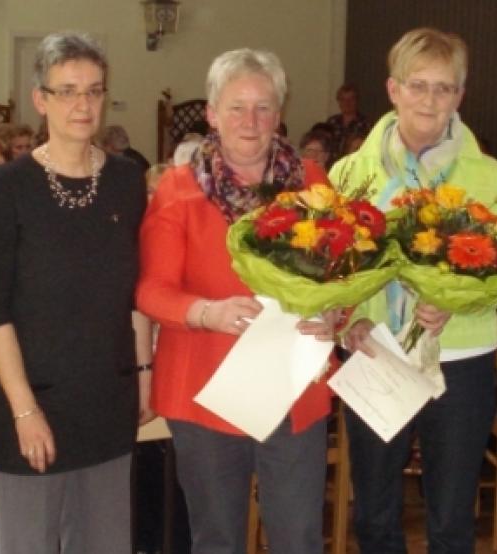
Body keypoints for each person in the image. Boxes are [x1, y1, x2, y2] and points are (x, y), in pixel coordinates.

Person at [332, 28, 497, 553]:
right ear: (393, 89)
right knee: (374, 514)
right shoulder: (350, 173)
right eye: (418, 85)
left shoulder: (488, 176)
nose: (430, 99)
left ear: (460, 96)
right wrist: (348, 320)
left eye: (444, 88)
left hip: (462, 358)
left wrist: (460, 299)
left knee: (450, 519)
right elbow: (332, 273)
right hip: (377, 351)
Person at [136, 48, 338, 554]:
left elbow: (344, 272)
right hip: (205, 391)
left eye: (264, 107)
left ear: (280, 114)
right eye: (236, 107)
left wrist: (338, 312)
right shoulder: (178, 190)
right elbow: (150, 290)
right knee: (216, 540)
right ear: (211, 114)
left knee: (299, 539)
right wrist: (208, 312)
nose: (251, 121)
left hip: (292, 387)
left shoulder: (312, 183)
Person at [0, 32, 149, 554]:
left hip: (107, 401)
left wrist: (144, 375)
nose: (83, 104)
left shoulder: (126, 181)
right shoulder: (7, 187)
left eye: (94, 91)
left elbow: (134, 295)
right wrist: (24, 410)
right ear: (40, 99)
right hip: (34, 402)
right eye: (68, 91)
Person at [326, 83, 370, 156]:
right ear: (339, 102)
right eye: (343, 99)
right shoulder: (331, 122)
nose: (347, 103)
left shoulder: (366, 123)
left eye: (351, 99)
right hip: (333, 164)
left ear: (357, 101)